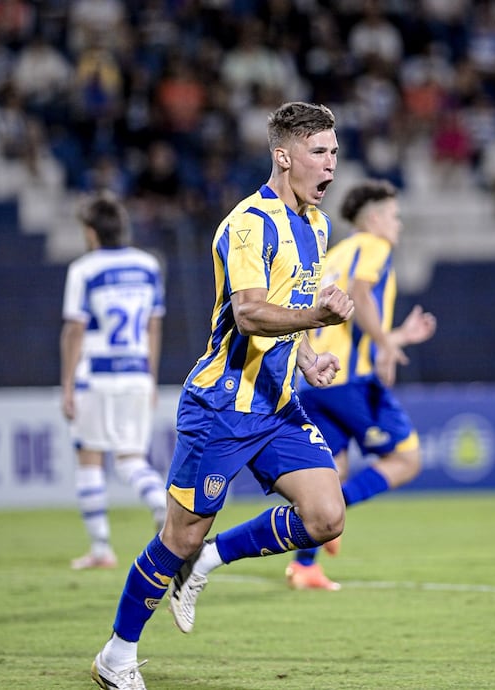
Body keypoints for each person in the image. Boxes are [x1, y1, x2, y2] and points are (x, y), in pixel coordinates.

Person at [90, 101, 354, 690]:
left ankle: (207, 562)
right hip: (221, 408)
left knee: (326, 516)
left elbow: (289, 312)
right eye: (319, 152)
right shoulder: (249, 224)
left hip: (277, 407)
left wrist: (308, 357)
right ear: (283, 157)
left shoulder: (317, 226)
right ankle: (117, 655)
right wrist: (317, 316)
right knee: (179, 535)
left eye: (335, 152)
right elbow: (250, 312)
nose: (331, 164)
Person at [286, 179, 437, 591]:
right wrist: (386, 343)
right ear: (373, 219)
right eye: (394, 216)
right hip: (351, 381)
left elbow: (340, 323)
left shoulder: (333, 254)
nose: (398, 225)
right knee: (407, 459)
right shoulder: (374, 245)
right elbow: (360, 294)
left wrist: (395, 337)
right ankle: (334, 514)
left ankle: (304, 567)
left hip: (315, 379)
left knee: (331, 474)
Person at [60, 191, 168, 571]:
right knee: (131, 460)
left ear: (91, 233)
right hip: (137, 374)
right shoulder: (148, 265)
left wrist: (67, 384)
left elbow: (75, 330)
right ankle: (162, 505)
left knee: (89, 458)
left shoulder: (84, 269)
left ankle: (101, 548)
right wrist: (151, 377)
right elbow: (154, 326)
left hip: (97, 376)